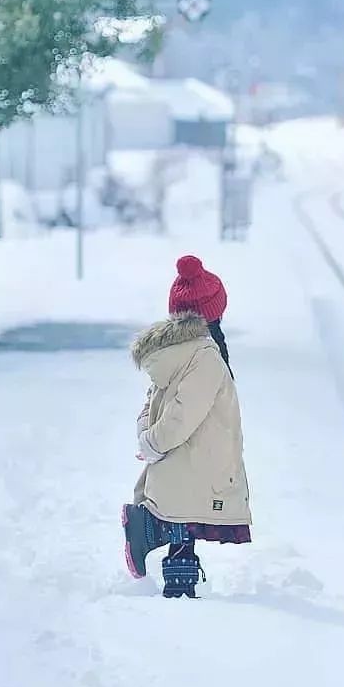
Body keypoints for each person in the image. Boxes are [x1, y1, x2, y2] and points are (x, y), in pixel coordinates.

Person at [121, 255, 251, 598]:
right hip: (194, 457)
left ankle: (156, 544)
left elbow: (152, 402)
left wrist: (146, 436)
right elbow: (182, 413)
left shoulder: (175, 353)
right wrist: (155, 442)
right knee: (185, 519)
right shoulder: (205, 356)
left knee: (182, 520)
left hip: (181, 461)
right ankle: (174, 581)